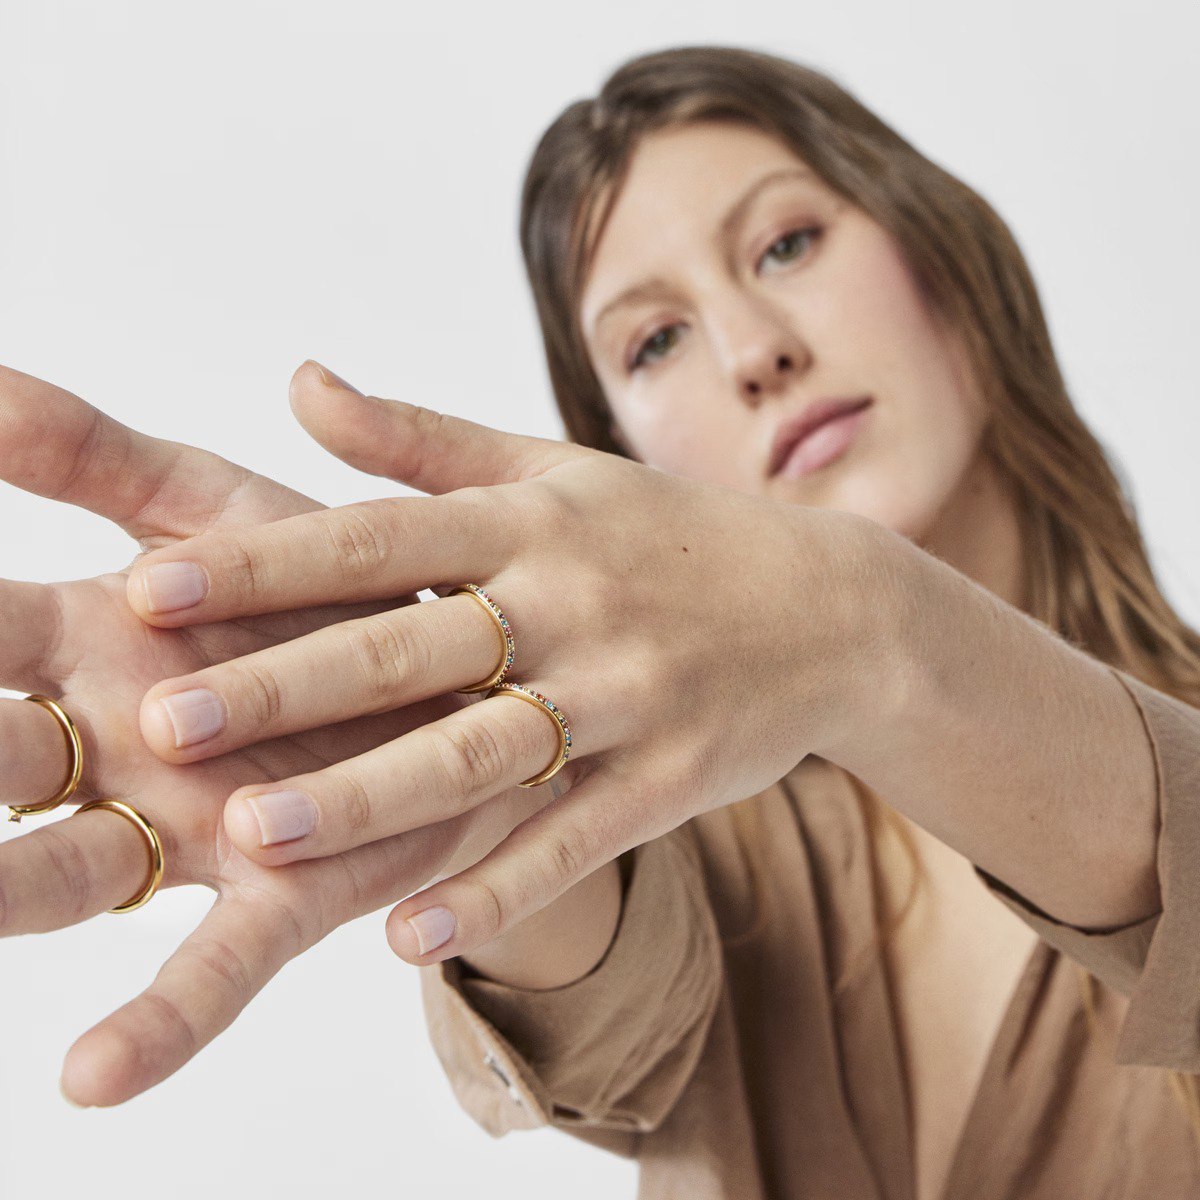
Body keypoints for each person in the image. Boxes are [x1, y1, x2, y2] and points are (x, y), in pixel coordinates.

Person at [3, 41, 1200, 1200]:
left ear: (947, 258)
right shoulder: (699, 846)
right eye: (655, 340)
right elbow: (614, 1001)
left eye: (786, 244)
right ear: (626, 462)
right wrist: (454, 756)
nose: (753, 353)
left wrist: (873, 619)